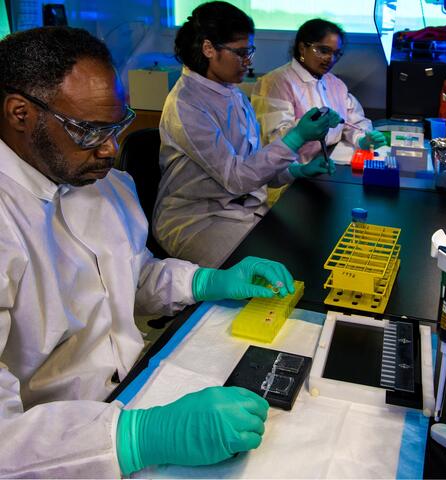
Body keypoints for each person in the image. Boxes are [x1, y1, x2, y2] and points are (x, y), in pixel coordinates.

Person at [0, 26, 298, 477]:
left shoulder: (103, 184)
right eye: (88, 130)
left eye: (116, 126)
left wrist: (204, 281)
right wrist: (138, 437)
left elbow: (131, 277)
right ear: (19, 113)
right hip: (60, 444)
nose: (110, 148)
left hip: (136, 383)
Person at [152, 1, 341, 268]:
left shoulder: (233, 93)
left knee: (309, 250)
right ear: (208, 49)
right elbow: (238, 178)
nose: (249, 61)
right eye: (240, 53)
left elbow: (254, 165)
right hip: (198, 219)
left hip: (242, 208)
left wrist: (298, 171)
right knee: (270, 274)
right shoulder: (186, 104)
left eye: (249, 51)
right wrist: (296, 137)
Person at [251, 18, 387, 165]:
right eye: (323, 51)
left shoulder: (335, 84)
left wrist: (362, 139)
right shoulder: (275, 83)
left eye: (336, 54)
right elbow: (275, 140)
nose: (331, 59)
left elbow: (353, 121)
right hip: (288, 175)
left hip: (327, 163)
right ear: (302, 48)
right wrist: (311, 126)